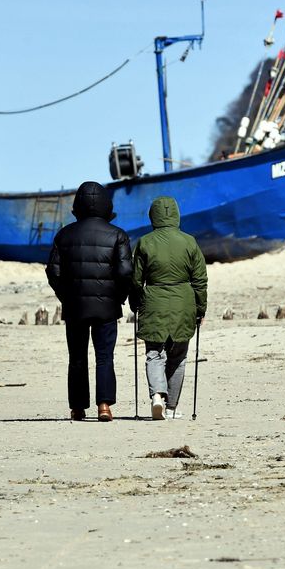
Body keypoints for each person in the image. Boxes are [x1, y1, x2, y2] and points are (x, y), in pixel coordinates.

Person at [46, 181, 133, 422]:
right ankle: (104, 406)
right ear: (107, 206)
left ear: (77, 207)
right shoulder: (118, 235)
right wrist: (119, 297)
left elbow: (53, 272)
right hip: (107, 307)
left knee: (77, 356)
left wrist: (66, 296)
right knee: (104, 356)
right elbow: (126, 272)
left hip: (75, 307)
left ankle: (77, 408)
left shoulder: (64, 235)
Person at [130, 196, 207, 421]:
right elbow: (200, 280)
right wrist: (200, 308)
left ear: (153, 216)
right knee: (179, 356)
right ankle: (172, 407)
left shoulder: (144, 242)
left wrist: (135, 303)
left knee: (154, 353)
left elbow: (136, 280)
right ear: (176, 215)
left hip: (153, 300)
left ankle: (157, 397)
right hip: (184, 302)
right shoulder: (190, 242)